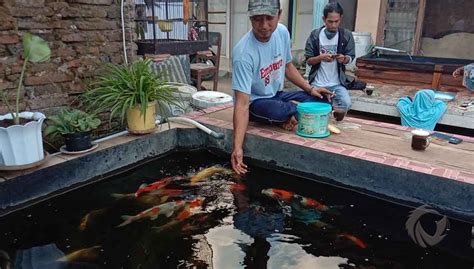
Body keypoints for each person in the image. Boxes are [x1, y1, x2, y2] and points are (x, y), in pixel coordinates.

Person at [231, 0, 333, 175]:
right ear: (250, 19)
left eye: (269, 18)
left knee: (322, 99)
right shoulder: (243, 53)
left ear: (279, 14)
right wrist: (237, 148)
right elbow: (241, 104)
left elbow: (287, 66)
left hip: (277, 95)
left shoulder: (282, 33)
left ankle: (292, 113)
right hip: (256, 103)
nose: (264, 25)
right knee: (277, 111)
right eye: (257, 19)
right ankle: (291, 113)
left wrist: (310, 89)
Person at [304, 2, 355, 114]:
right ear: (324, 19)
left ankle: (335, 122)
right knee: (318, 109)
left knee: (346, 104)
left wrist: (344, 58)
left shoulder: (346, 35)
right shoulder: (315, 35)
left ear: (340, 18)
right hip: (317, 83)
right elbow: (308, 60)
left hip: (337, 83)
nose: (333, 25)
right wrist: (320, 58)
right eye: (330, 21)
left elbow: (351, 56)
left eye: (336, 21)